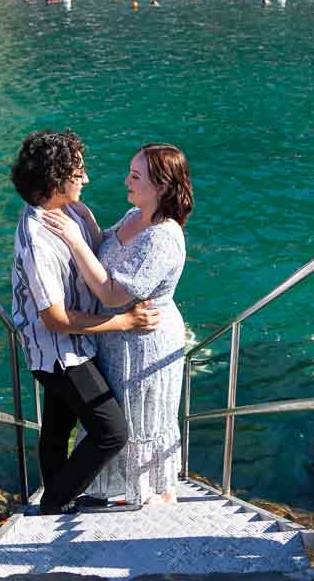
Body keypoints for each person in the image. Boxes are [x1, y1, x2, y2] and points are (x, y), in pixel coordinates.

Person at [10, 130, 160, 515]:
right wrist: (125, 322)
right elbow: (56, 319)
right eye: (78, 172)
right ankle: (57, 499)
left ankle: (59, 497)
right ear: (56, 178)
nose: (86, 179)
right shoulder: (36, 240)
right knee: (112, 432)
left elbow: (100, 247)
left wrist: (143, 225)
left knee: (58, 426)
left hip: (77, 342)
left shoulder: (75, 211)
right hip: (58, 351)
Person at [41, 143, 192, 507]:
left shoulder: (162, 238)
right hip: (118, 335)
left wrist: (75, 240)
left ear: (160, 187)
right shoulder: (132, 216)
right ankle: (116, 490)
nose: (126, 180)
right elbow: (103, 246)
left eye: (136, 176)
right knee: (118, 418)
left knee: (141, 420)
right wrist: (86, 220)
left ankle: (155, 494)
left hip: (145, 340)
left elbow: (111, 292)